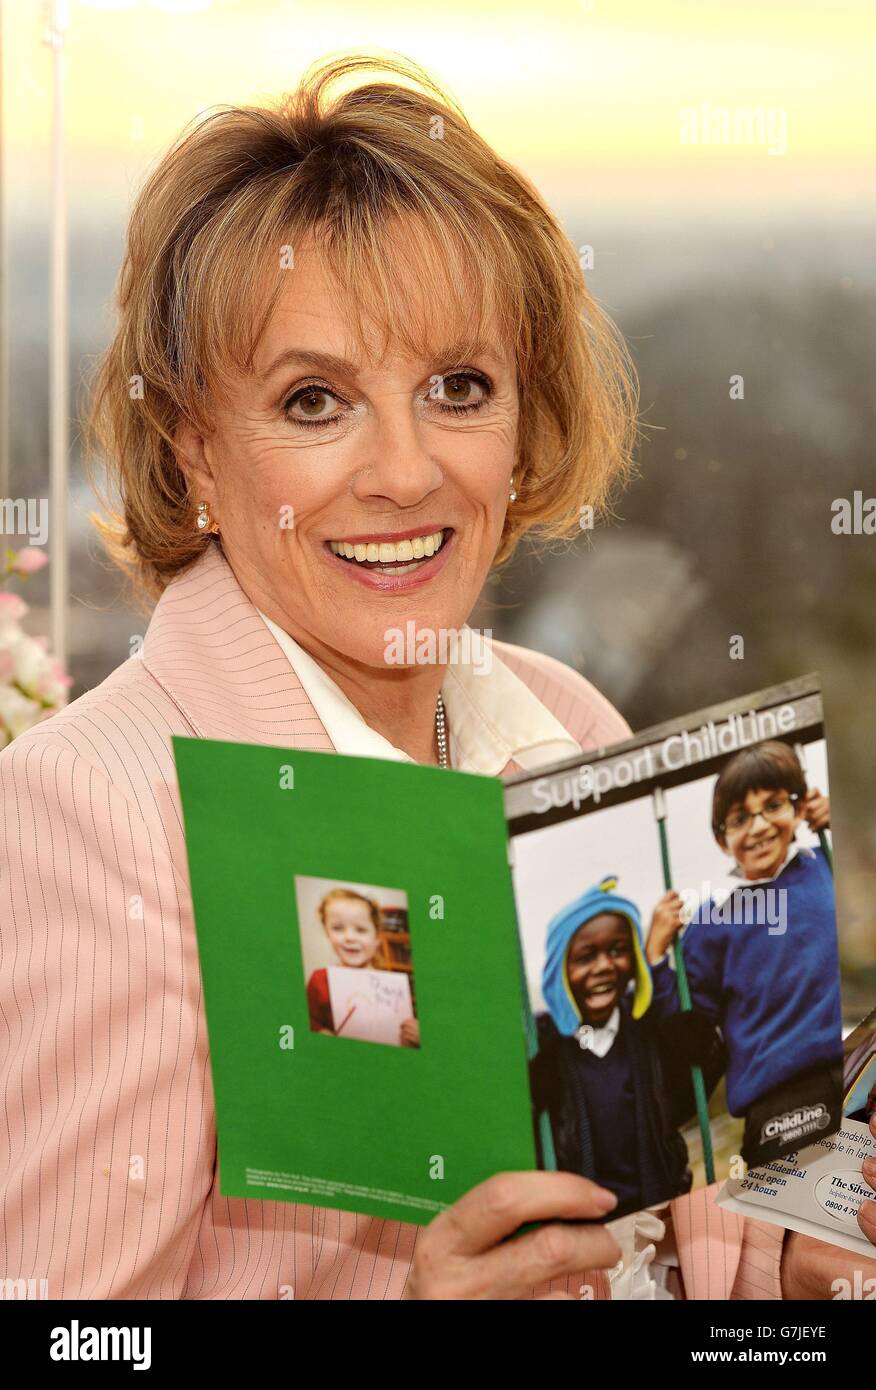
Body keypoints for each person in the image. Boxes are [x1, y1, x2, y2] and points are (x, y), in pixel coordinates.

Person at [1, 53, 872, 1300]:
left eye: (458, 388)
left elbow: (675, 1209)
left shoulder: (564, 722)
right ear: (195, 449)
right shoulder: (89, 819)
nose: (407, 472)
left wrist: (799, 1264)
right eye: (316, 401)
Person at [646, 741, 844, 1162]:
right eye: (739, 819)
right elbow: (688, 1020)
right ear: (722, 840)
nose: (758, 827)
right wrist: (657, 959)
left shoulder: (827, 862)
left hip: (860, 1066)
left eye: (773, 805)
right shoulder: (715, 918)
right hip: (782, 1101)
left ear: (799, 808)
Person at [530, 876, 692, 1215]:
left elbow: (688, 1038)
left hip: (658, 1206)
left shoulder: (644, 1026)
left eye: (618, 951)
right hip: (583, 1222)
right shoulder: (542, 1046)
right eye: (586, 956)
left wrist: (655, 956)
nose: (604, 966)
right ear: (558, 972)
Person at [306, 887, 419, 1047]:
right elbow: (310, 1023)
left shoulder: (395, 988)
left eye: (361, 930)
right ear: (327, 932)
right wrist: (319, 1033)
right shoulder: (319, 980)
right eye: (338, 928)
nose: (349, 937)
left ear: (377, 938)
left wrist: (418, 1035)